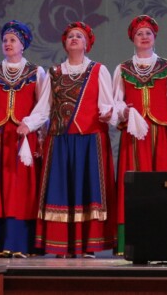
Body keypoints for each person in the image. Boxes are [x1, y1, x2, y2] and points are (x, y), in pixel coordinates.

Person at [35, 21, 116, 257]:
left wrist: (109, 114)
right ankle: (62, 245)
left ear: (87, 44)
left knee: (87, 190)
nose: (74, 39)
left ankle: (89, 245)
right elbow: (44, 107)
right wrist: (28, 124)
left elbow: (107, 103)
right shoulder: (54, 72)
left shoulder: (98, 70)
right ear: (65, 43)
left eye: (79, 36)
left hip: (90, 140)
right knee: (62, 191)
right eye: (70, 36)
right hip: (60, 140)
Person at [0, 21, 50, 257]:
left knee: (21, 188)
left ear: (23, 44)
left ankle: (19, 243)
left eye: (13, 40)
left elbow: (44, 106)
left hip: (23, 138)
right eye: (5, 40)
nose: (8, 44)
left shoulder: (36, 72)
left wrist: (30, 124)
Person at [112, 15, 167, 255]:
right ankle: (130, 241)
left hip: (162, 134)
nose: (144, 37)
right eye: (139, 33)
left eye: (148, 33)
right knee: (133, 185)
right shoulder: (122, 69)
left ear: (154, 37)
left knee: (164, 184)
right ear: (133, 39)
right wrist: (124, 111)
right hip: (134, 136)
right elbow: (116, 102)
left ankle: (165, 240)